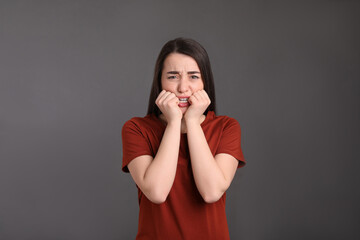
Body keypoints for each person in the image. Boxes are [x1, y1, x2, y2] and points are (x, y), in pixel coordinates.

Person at [122, 37, 246, 240]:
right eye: (172, 76)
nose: (183, 87)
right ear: (159, 81)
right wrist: (173, 123)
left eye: (193, 77)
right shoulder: (136, 129)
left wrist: (192, 122)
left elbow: (211, 191)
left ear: (205, 81)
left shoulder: (226, 127)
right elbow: (156, 192)